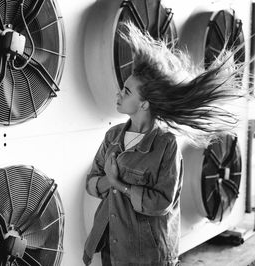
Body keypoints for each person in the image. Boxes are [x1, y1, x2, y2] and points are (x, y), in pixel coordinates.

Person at [83, 22, 248, 266]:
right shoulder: (113, 136)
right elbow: (91, 183)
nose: (119, 94)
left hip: (148, 256)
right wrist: (108, 180)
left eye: (127, 91)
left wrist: (118, 183)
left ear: (144, 104)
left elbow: (160, 204)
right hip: (113, 249)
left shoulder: (165, 145)